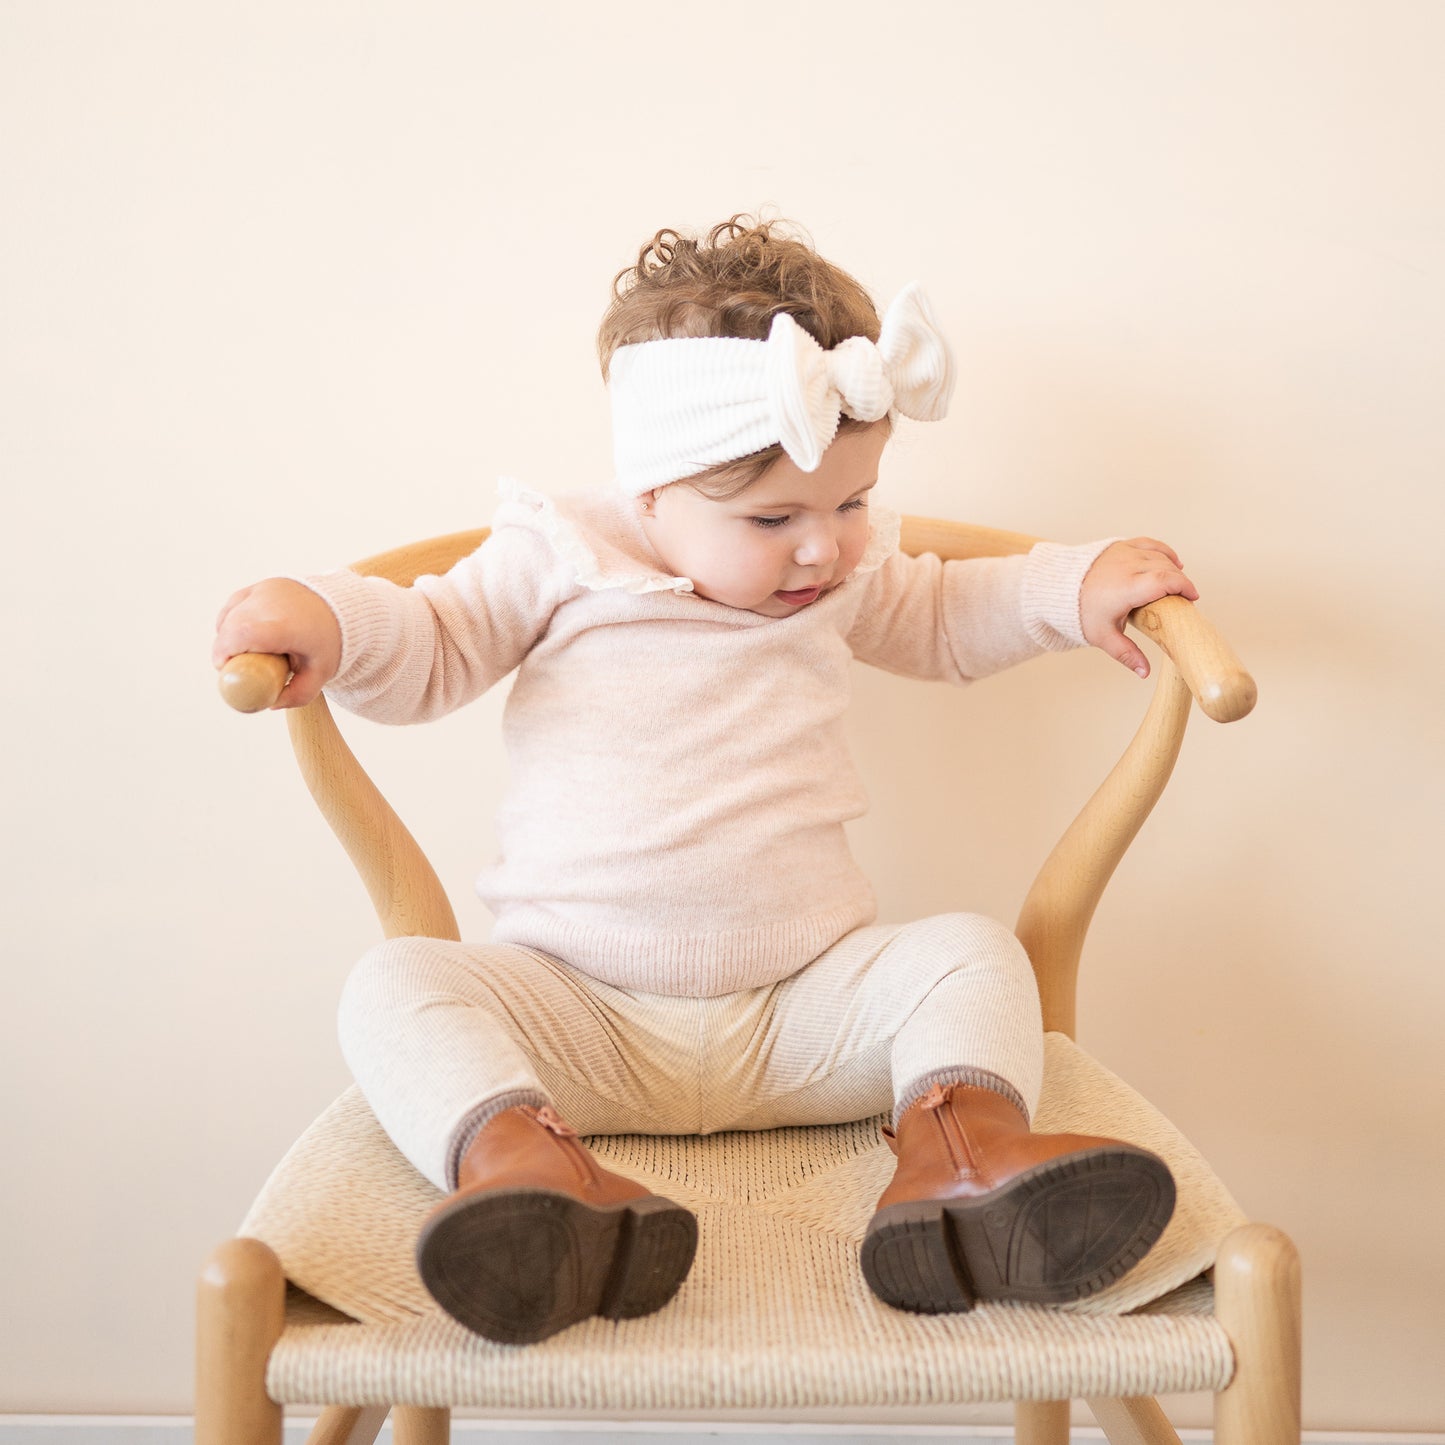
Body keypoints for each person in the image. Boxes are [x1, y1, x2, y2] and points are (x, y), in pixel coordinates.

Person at [213, 215, 1201, 1346]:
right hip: (576, 1019)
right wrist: (329, 621)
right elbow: (432, 637)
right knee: (394, 986)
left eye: (849, 501)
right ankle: (526, 1179)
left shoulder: (842, 575)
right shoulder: (558, 553)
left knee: (966, 951)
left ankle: (957, 1161)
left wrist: (1070, 588)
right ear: (649, 493)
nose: (822, 548)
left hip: (803, 1012)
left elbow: (944, 609)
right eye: (771, 517)